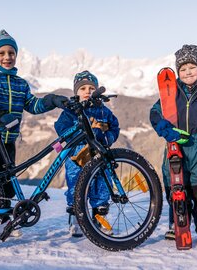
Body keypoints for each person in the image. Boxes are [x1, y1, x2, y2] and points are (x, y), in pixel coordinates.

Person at [0, 29, 68, 239]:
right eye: (2, 53)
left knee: (7, 183)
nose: (7, 57)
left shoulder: (20, 83)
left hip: (7, 140)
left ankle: (2, 218)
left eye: (11, 53)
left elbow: (33, 105)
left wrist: (52, 100)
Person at [150, 44, 197, 246]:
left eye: (192, 67)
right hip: (175, 149)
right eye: (182, 69)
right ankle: (176, 222)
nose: (187, 72)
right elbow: (155, 114)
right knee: (176, 189)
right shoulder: (171, 93)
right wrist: (166, 130)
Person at [54, 70, 120, 237]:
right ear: (76, 92)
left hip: (100, 153)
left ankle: (100, 216)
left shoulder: (103, 111)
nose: (87, 91)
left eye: (91, 88)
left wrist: (108, 138)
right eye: (83, 88)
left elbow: (114, 127)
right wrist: (76, 132)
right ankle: (76, 217)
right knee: (76, 184)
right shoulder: (71, 110)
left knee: (102, 185)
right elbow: (60, 127)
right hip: (78, 154)